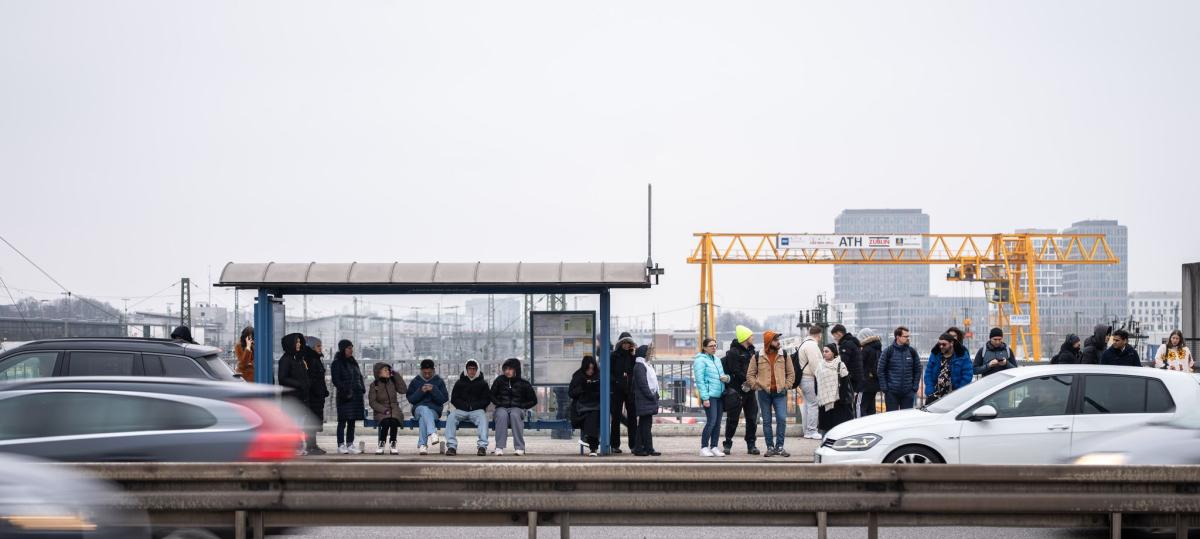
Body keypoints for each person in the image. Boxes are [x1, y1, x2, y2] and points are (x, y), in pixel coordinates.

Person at [746, 330, 795, 457]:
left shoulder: (784, 355)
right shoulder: (757, 356)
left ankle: (780, 446)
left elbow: (791, 374)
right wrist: (756, 386)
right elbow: (750, 374)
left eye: (778, 340)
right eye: (775, 340)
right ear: (769, 342)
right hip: (764, 393)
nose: (778, 342)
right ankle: (770, 447)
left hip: (780, 393)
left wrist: (786, 386)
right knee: (766, 421)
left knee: (781, 419)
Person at [720, 325, 760, 456]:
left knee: (752, 418)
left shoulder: (752, 351)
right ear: (745, 338)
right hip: (737, 391)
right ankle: (728, 443)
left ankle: (751, 444)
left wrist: (752, 381)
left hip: (750, 391)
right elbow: (734, 370)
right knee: (733, 419)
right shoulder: (733, 352)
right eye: (751, 336)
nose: (753, 338)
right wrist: (749, 379)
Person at [490, 357, 537, 456]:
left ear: (516, 369)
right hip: (501, 408)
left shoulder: (524, 383)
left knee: (515, 415)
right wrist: (499, 403)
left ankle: (520, 447)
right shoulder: (499, 380)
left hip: (517, 409)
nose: (507, 371)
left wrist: (521, 406)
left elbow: (533, 400)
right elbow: (491, 395)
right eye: (506, 369)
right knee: (502, 415)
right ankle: (499, 447)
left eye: (510, 369)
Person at [446, 359, 491, 457]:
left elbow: (486, 400)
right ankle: (451, 446)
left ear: (477, 370)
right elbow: (454, 398)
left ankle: (482, 446)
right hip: (461, 410)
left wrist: (474, 406)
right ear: (466, 370)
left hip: (477, 410)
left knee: (483, 418)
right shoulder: (459, 383)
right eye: (469, 369)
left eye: (474, 369)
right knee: (451, 417)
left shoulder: (483, 383)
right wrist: (464, 406)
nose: (472, 371)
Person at [692, 338, 729, 458]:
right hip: (709, 396)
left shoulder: (717, 360)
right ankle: (703, 447)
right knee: (711, 422)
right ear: (704, 348)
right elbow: (700, 381)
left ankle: (714, 446)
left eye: (715, 345)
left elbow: (722, 375)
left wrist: (727, 378)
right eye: (711, 346)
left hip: (719, 395)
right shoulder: (700, 361)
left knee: (718, 423)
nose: (714, 348)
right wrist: (705, 397)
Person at [276, 333, 311, 455]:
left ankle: (299, 447)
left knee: (300, 425)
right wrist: (299, 384)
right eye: (296, 342)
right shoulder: (285, 360)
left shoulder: (299, 359)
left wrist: (307, 384)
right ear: (290, 344)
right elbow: (282, 378)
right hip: (291, 398)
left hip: (301, 398)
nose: (299, 344)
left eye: (299, 342)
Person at [406, 359, 449, 455]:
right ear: (421, 370)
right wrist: (421, 391)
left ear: (433, 370)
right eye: (425, 372)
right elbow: (411, 399)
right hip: (418, 409)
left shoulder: (439, 381)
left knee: (423, 419)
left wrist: (433, 389)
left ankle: (422, 445)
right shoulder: (415, 381)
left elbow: (443, 399)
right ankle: (432, 433)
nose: (427, 375)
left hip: (434, 411)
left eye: (429, 372)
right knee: (423, 409)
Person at [330, 340, 366, 455]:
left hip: (356, 396)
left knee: (352, 421)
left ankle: (350, 444)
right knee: (342, 421)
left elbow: (359, 376)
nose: (351, 350)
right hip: (345, 396)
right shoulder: (337, 363)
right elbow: (336, 380)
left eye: (352, 348)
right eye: (349, 348)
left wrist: (362, 388)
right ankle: (341, 445)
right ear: (343, 349)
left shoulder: (353, 362)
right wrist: (345, 389)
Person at [923, 333, 974, 405]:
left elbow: (967, 375)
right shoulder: (935, 354)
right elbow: (928, 373)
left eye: (944, 344)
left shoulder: (962, 355)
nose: (941, 346)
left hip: (954, 396)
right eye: (939, 344)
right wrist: (930, 391)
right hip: (935, 395)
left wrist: (958, 392)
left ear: (951, 343)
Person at [877, 326, 921, 411]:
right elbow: (880, 370)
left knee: (905, 420)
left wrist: (914, 388)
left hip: (908, 393)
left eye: (908, 336)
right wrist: (885, 389)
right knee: (892, 419)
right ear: (898, 337)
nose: (908, 338)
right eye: (905, 336)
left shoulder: (912, 351)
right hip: (891, 393)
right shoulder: (888, 351)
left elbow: (918, 370)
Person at [608, 332, 638, 454]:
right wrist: (616, 381)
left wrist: (633, 355)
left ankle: (634, 445)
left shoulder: (633, 357)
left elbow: (636, 371)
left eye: (628, 343)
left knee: (632, 418)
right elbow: (609, 372)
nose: (626, 345)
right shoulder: (614, 356)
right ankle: (615, 445)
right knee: (616, 417)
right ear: (620, 343)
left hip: (630, 391)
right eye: (624, 343)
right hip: (617, 390)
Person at [367, 362, 406, 455]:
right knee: (386, 421)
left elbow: (403, 390)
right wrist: (383, 410)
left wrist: (396, 375)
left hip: (394, 409)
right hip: (381, 410)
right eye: (385, 370)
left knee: (394, 421)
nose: (388, 371)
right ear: (378, 372)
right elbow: (372, 402)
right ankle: (381, 443)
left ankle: (393, 443)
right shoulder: (374, 385)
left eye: (388, 370)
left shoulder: (392, 382)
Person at [630, 345, 661, 457]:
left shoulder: (643, 365)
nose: (650, 354)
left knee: (644, 425)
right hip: (645, 399)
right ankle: (645, 449)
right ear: (644, 353)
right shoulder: (640, 366)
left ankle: (643, 448)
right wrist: (652, 396)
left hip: (646, 399)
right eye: (648, 352)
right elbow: (643, 385)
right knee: (645, 426)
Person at [569, 355, 602, 456]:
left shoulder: (598, 375)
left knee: (593, 416)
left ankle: (590, 443)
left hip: (594, 405)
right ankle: (593, 447)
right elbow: (571, 393)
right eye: (588, 369)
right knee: (590, 417)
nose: (590, 371)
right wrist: (583, 387)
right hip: (581, 407)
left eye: (592, 368)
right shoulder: (578, 376)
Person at [302, 336, 331, 455]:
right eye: (318, 346)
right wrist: (318, 391)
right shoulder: (311, 359)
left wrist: (323, 390)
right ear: (311, 346)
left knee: (313, 421)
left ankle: (312, 445)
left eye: (320, 346)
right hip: (313, 396)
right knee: (311, 421)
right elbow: (312, 379)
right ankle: (310, 446)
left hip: (317, 395)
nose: (320, 348)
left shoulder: (315, 358)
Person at [816, 343, 852, 434]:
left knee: (837, 428)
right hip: (824, 402)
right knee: (825, 429)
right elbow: (816, 382)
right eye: (823, 351)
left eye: (827, 351)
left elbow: (845, 383)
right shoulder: (820, 366)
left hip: (838, 402)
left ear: (833, 353)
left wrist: (843, 399)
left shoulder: (840, 365)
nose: (824, 353)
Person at [795, 326, 824, 440]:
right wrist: (820, 376)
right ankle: (812, 430)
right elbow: (814, 364)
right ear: (819, 334)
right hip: (809, 378)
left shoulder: (804, 343)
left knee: (807, 405)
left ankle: (806, 430)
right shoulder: (812, 345)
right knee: (813, 404)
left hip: (803, 378)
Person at [830, 324, 864, 412]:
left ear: (839, 334)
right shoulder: (853, 342)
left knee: (850, 404)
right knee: (856, 404)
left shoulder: (846, 345)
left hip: (851, 379)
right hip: (857, 378)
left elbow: (842, 363)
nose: (835, 339)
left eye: (835, 337)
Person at [857, 328, 882, 417]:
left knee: (861, 406)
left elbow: (860, 365)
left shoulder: (866, 349)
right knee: (871, 406)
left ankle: (860, 426)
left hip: (865, 383)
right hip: (875, 383)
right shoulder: (878, 348)